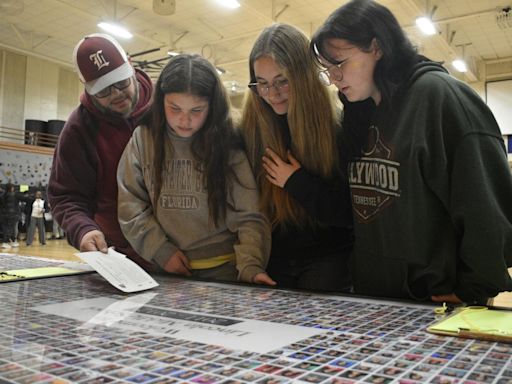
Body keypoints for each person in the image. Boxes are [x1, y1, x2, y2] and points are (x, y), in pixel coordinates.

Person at [311, 0, 512, 304]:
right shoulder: (360, 111)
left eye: (338, 63)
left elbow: (485, 208)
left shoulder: (439, 98)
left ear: (377, 47)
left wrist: (472, 289)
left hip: (439, 302)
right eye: (327, 70)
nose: (334, 78)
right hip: (379, 300)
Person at [117, 54, 273, 285]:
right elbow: (131, 204)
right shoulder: (144, 139)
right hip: (166, 267)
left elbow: (249, 214)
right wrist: (160, 249)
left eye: (196, 111)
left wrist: (251, 265)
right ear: (161, 102)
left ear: (212, 106)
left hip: (225, 269)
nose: (184, 120)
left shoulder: (229, 140)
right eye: (175, 108)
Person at [239, 23, 353, 291]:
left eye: (282, 81)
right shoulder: (249, 131)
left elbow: (349, 212)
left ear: (304, 77)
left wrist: (296, 182)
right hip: (274, 258)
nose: (272, 94)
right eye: (262, 84)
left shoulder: (338, 129)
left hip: (329, 258)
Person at [47, 33, 153, 267]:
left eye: (121, 82)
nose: (116, 94)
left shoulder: (166, 106)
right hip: (119, 256)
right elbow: (66, 196)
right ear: (87, 88)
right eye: (103, 90)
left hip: (179, 252)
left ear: (131, 65)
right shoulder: (78, 129)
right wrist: (83, 230)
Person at [0, 184, 22, 249]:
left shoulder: (2, 195)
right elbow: (24, 198)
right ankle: (5, 242)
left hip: (3, 214)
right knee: (10, 229)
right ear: (12, 188)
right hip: (11, 214)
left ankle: (12, 241)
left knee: (6, 229)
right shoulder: (14, 195)